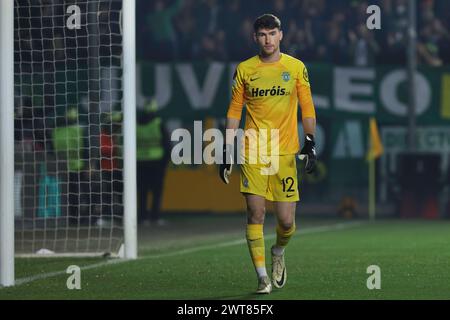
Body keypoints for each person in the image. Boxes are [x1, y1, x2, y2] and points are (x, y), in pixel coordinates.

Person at [219, 14, 317, 294]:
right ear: (255, 38)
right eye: (262, 34)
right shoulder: (245, 69)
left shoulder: (296, 67)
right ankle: (262, 277)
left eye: (272, 33)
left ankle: (278, 251)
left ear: (281, 35)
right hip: (253, 150)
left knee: (286, 222)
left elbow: (307, 108)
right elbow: (234, 111)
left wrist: (310, 142)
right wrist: (227, 149)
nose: (268, 39)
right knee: (256, 212)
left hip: (285, 152)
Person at [136, 98, 171, 226]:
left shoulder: (136, 124)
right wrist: (165, 161)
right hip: (157, 162)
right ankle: (155, 217)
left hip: (140, 162)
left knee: (142, 192)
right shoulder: (158, 123)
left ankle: (142, 217)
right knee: (156, 192)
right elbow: (167, 144)